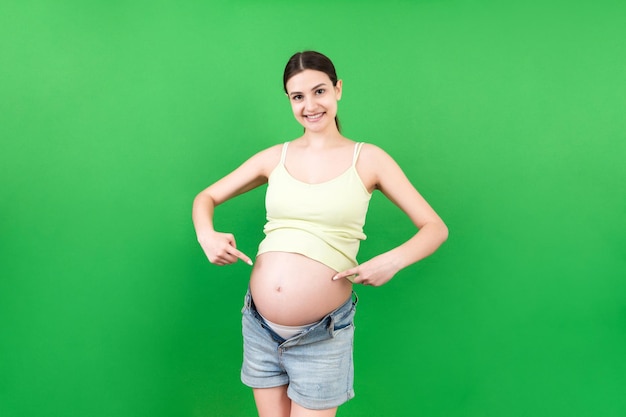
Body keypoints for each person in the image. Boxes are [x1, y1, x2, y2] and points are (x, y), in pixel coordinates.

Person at [192, 51, 448, 417]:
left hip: (321, 335)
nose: (310, 105)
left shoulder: (369, 159)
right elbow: (207, 197)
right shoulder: (274, 157)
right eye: (298, 97)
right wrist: (207, 235)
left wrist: (392, 261)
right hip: (260, 327)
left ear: (338, 89)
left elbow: (435, 227)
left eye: (319, 92)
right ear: (289, 101)